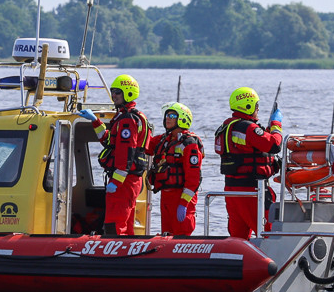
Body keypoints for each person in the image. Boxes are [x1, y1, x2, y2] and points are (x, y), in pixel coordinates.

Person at [78, 74, 150, 236]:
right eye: (112, 91)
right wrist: (95, 121)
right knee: (127, 221)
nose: (114, 95)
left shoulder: (127, 120)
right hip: (129, 179)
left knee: (115, 221)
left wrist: (116, 181)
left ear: (128, 93)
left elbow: (126, 153)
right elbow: (110, 141)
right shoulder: (126, 117)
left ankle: (115, 250)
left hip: (124, 180)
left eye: (117, 92)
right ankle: (128, 250)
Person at [214, 86, 283, 239]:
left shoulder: (226, 127)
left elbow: (247, 151)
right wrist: (276, 126)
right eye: (256, 105)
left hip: (231, 190)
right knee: (269, 234)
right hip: (252, 191)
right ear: (248, 105)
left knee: (238, 237)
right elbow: (274, 145)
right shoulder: (248, 128)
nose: (258, 109)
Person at [147, 102, 203, 236]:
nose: (168, 118)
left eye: (172, 115)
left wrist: (183, 203)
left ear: (182, 118)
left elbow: (193, 179)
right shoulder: (164, 140)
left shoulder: (189, 144)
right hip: (166, 196)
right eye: (167, 115)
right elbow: (146, 145)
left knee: (182, 232)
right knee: (166, 233)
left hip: (181, 198)